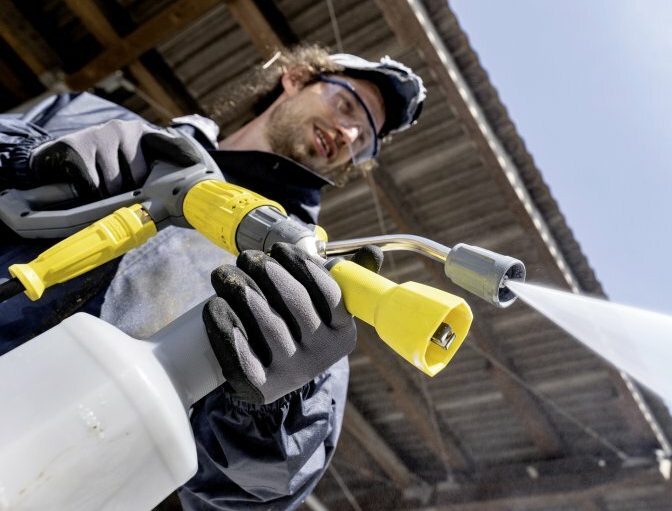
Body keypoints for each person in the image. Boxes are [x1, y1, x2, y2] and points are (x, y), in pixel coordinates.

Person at [0, 44, 425, 510]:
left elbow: (258, 492)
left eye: (362, 138)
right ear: (296, 78)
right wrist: (26, 159)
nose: (347, 132)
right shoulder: (100, 121)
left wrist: (269, 406)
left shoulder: (303, 286)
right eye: (347, 106)